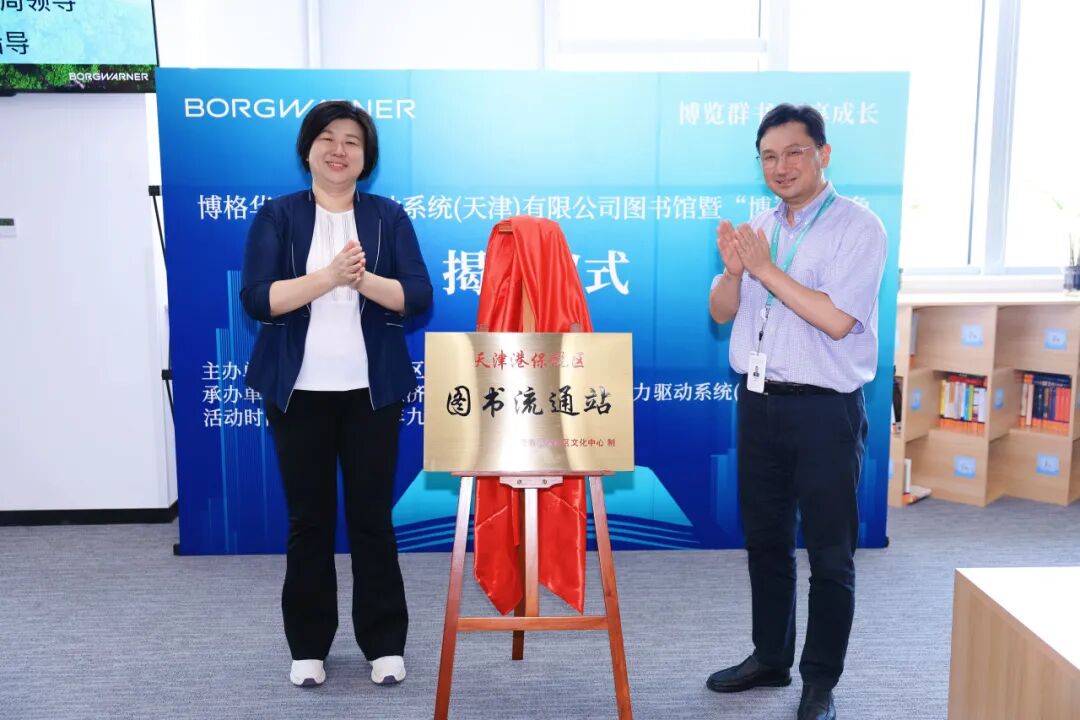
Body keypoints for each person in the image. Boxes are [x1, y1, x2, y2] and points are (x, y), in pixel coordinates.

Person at [240, 100, 432, 688]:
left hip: (372, 393)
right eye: (327, 138)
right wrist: (327, 276)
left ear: (366, 157)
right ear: (308, 150)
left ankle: (384, 644)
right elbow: (258, 299)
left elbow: (418, 297)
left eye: (352, 141)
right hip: (297, 393)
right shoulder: (277, 216)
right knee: (310, 521)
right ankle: (308, 647)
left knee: (372, 519)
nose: (339, 150)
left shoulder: (387, 217)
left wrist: (360, 278)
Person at [706, 104, 887, 720]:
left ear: (823, 154)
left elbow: (836, 320)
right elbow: (721, 311)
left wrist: (765, 269)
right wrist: (735, 273)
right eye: (768, 156)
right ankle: (770, 657)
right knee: (766, 541)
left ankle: (820, 681)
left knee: (830, 554)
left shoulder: (859, 228)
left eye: (793, 152)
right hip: (760, 404)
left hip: (825, 411)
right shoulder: (760, 226)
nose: (780, 166)